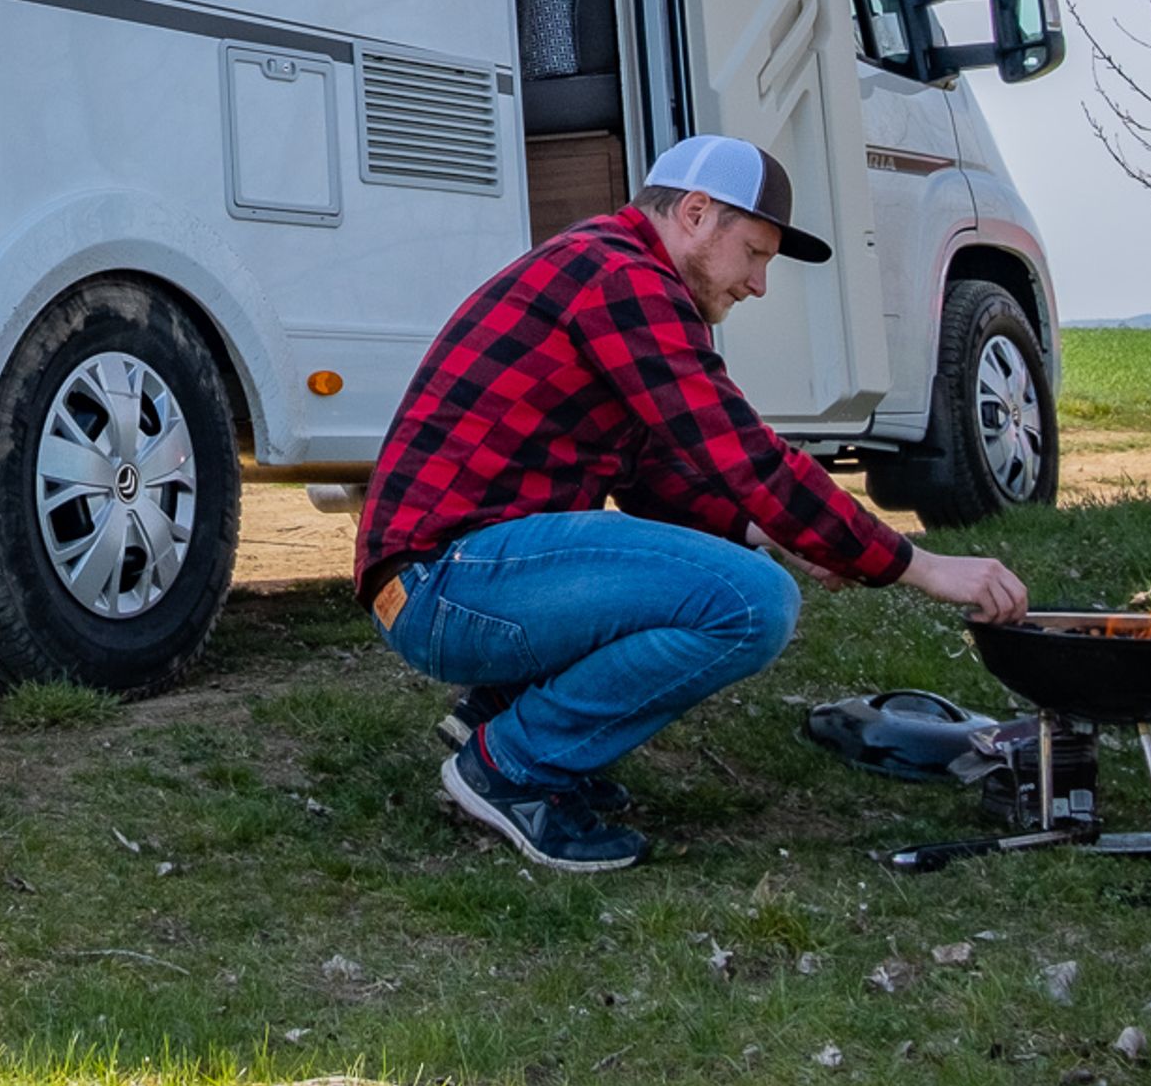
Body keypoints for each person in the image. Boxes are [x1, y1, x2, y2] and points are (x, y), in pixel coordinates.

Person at [356, 133, 1030, 871]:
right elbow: (742, 452)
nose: (759, 283)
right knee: (750, 603)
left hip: (444, 578)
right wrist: (918, 564)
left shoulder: (606, 269)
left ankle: (499, 714)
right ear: (698, 213)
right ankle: (511, 763)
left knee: (729, 567)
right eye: (756, 253)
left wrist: (778, 534)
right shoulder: (622, 278)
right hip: (445, 582)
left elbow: (656, 478)